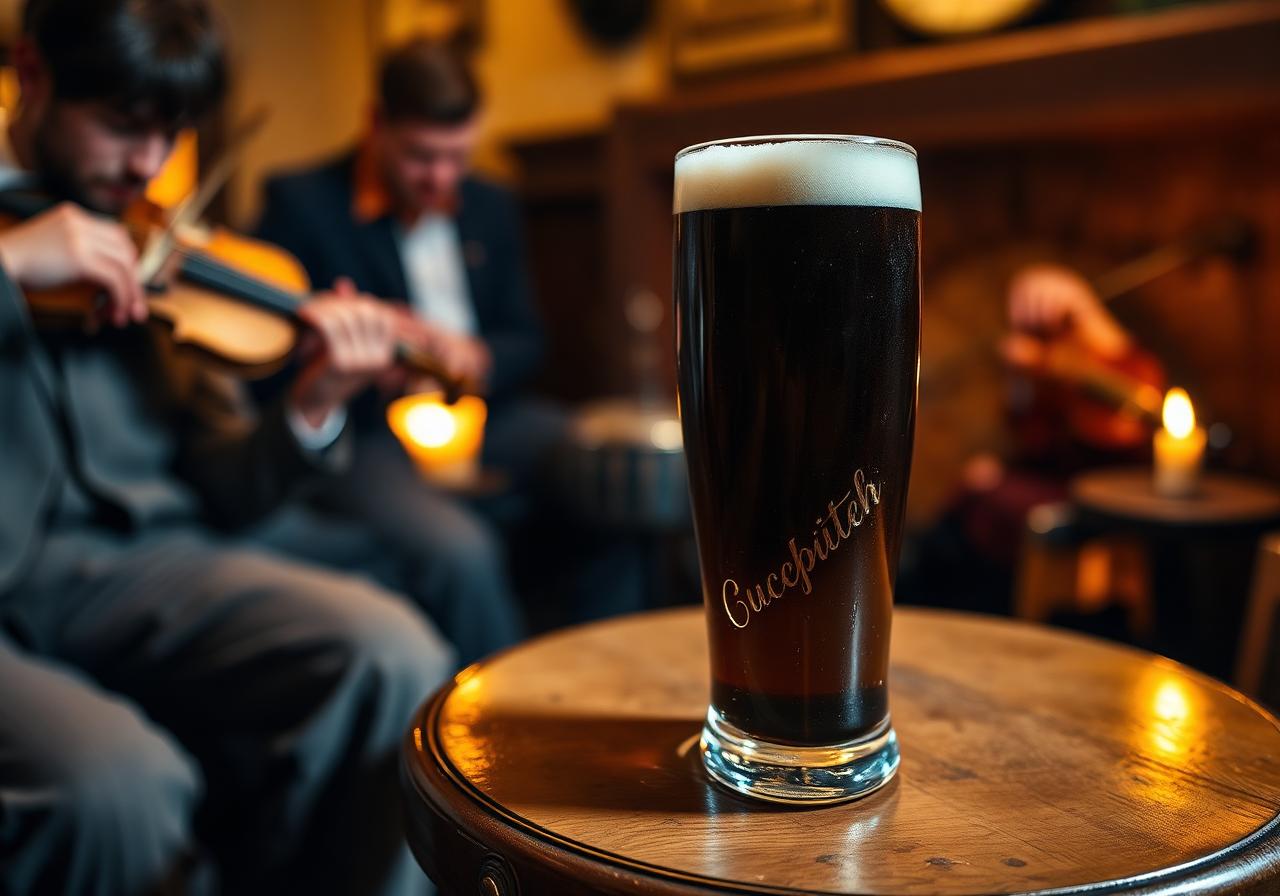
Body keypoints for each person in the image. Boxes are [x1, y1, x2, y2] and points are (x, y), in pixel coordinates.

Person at [0, 1, 456, 892]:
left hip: (143, 566)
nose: (148, 166)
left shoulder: (149, 246)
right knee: (119, 787)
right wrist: (9, 267)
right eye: (124, 127)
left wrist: (313, 402)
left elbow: (228, 491)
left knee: (392, 654)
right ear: (32, 72)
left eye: (169, 134)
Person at [255, 37, 597, 650]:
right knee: (460, 551)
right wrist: (351, 356)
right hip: (371, 433)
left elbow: (528, 338)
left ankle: (603, 666)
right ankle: (496, 727)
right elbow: (267, 362)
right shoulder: (301, 205)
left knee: (605, 461)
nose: (441, 178)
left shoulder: (491, 203)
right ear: (376, 124)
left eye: (456, 157)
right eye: (420, 156)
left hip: (483, 413)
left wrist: (480, 357)